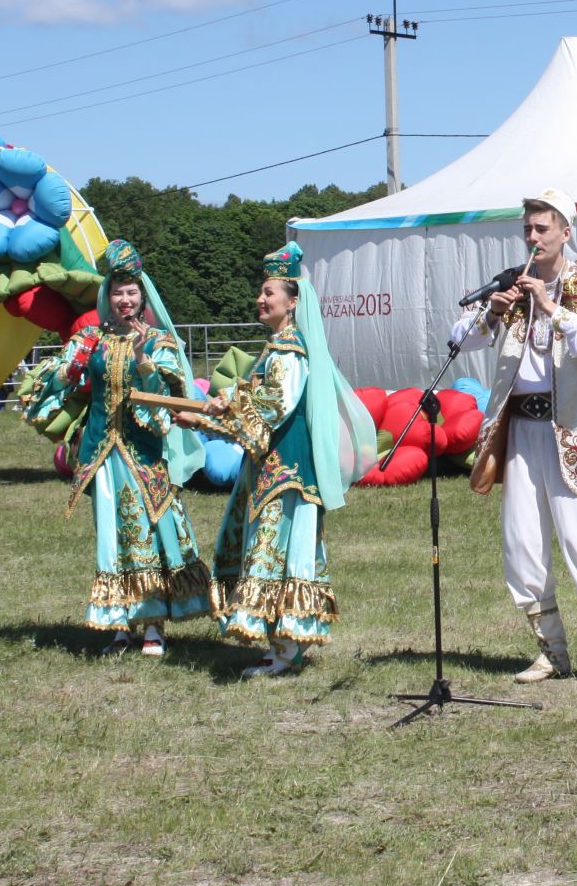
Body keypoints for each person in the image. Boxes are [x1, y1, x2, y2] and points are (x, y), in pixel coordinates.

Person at [451, 189, 577, 687]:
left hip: (572, 429)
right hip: (521, 431)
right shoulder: (514, 283)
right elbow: (459, 338)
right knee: (522, 542)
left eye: (542, 229)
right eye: (527, 229)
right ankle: (551, 653)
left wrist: (551, 306)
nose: (532, 238)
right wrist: (493, 312)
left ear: (565, 232)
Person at [182, 242, 375, 677]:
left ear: (292, 302)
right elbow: (254, 394)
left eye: (270, 292)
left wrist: (220, 412)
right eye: (261, 292)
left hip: (287, 471)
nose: (260, 299)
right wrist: (206, 412)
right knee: (270, 548)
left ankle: (285, 648)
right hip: (271, 467)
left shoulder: (290, 349)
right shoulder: (277, 348)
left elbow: (273, 404)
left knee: (282, 550)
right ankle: (282, 642)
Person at [23, 240, 212, 655]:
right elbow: (61, 376)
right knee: (111, 534)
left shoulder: (159, 341)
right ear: (107, 296)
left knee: (145, 530)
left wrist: (145, 362)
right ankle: (119, 624)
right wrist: (61, 373)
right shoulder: (91, 338)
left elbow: (169, 395)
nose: (124, 300)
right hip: (101, 454)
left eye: (132, 293)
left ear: (143, 297)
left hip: (143, 454)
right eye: (117, 292)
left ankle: (153, 626)